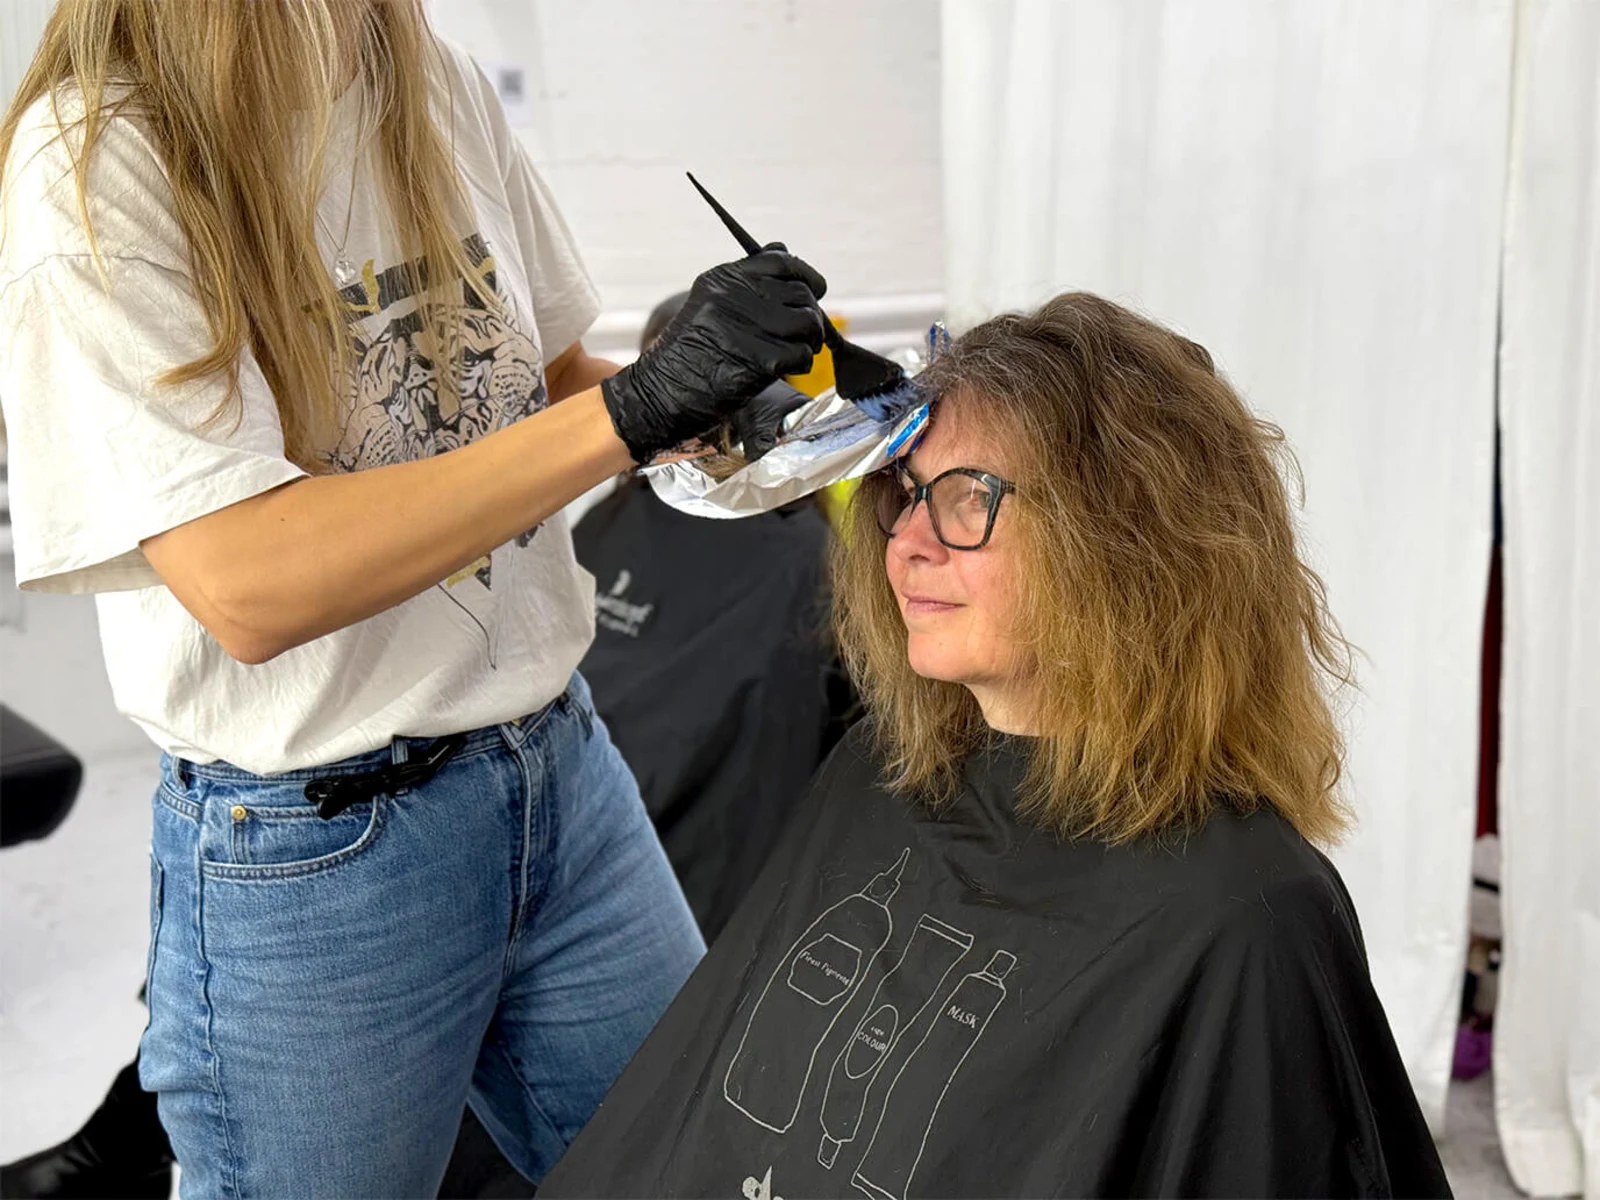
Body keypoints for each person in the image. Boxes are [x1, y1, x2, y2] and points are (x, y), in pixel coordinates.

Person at [0, 2, 826, 1197]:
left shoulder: (425, 77)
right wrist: (633, 411)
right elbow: (249, 581)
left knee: (696, 1169)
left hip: (558, 775)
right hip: (316, 855)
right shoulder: (101, 162)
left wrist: (700, 408)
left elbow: (532, 383)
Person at [540, 293, 1454, 1198]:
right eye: (903, 494)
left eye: (968, 497)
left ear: (1127, 541)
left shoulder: (1245, 915)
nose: (907, 544)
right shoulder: (880, 771)